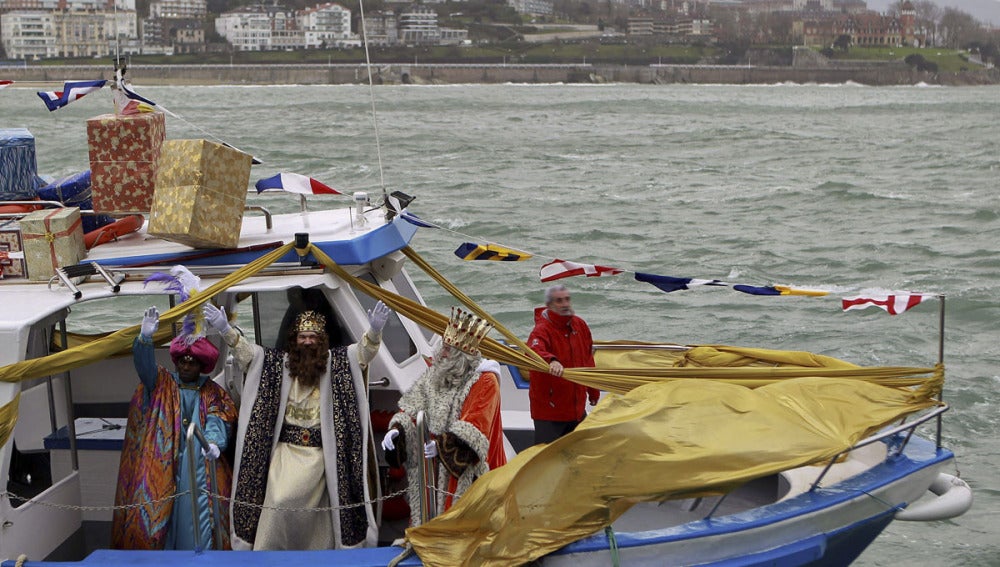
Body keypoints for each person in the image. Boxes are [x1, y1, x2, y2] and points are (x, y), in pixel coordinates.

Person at [204, 300, 389, 550]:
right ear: (294, 339)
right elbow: (248, 355)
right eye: (303, 336)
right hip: (286, 453)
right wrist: (226, 329)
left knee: (323, 510)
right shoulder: (277, 365)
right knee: (280, 500)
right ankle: (269, 555)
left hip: (321, 456)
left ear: (322, 340)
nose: (308, 342)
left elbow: (363, 354)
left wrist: (375, 331)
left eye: (313, 337)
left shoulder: (337, 364)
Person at [112, 306, 238, 550]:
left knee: (201, 514)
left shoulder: (214, 392)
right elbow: (144, 369)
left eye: (192, 362)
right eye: (183, 361)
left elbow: (219, 418)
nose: (186, 366)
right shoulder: (162, 382)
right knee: (156, 513)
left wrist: (213, 442)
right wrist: (145, 340)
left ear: (201, 365)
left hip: (199, 462)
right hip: (162, 459)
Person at [380, 307, 506, 527]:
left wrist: (442, 446)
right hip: (432, 467)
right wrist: (397, 431)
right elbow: (412, 407)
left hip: (467, 472)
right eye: (443, 347)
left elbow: (474, 428)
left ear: (462, 356)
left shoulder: (485, 381)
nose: (442, 353)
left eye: (449, 349)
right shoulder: (436, 374)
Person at [527, 284, 600, 445]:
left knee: (581, 455)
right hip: (549, 413)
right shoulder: (541, 330)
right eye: (559, 301)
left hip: (576, 410)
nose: (565, 304)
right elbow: (532, 352)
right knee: (546, 460)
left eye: (567, 299)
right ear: (550, 305)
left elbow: (587, 360)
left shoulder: (580, 326)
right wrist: (551, 360)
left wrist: (593, 391)